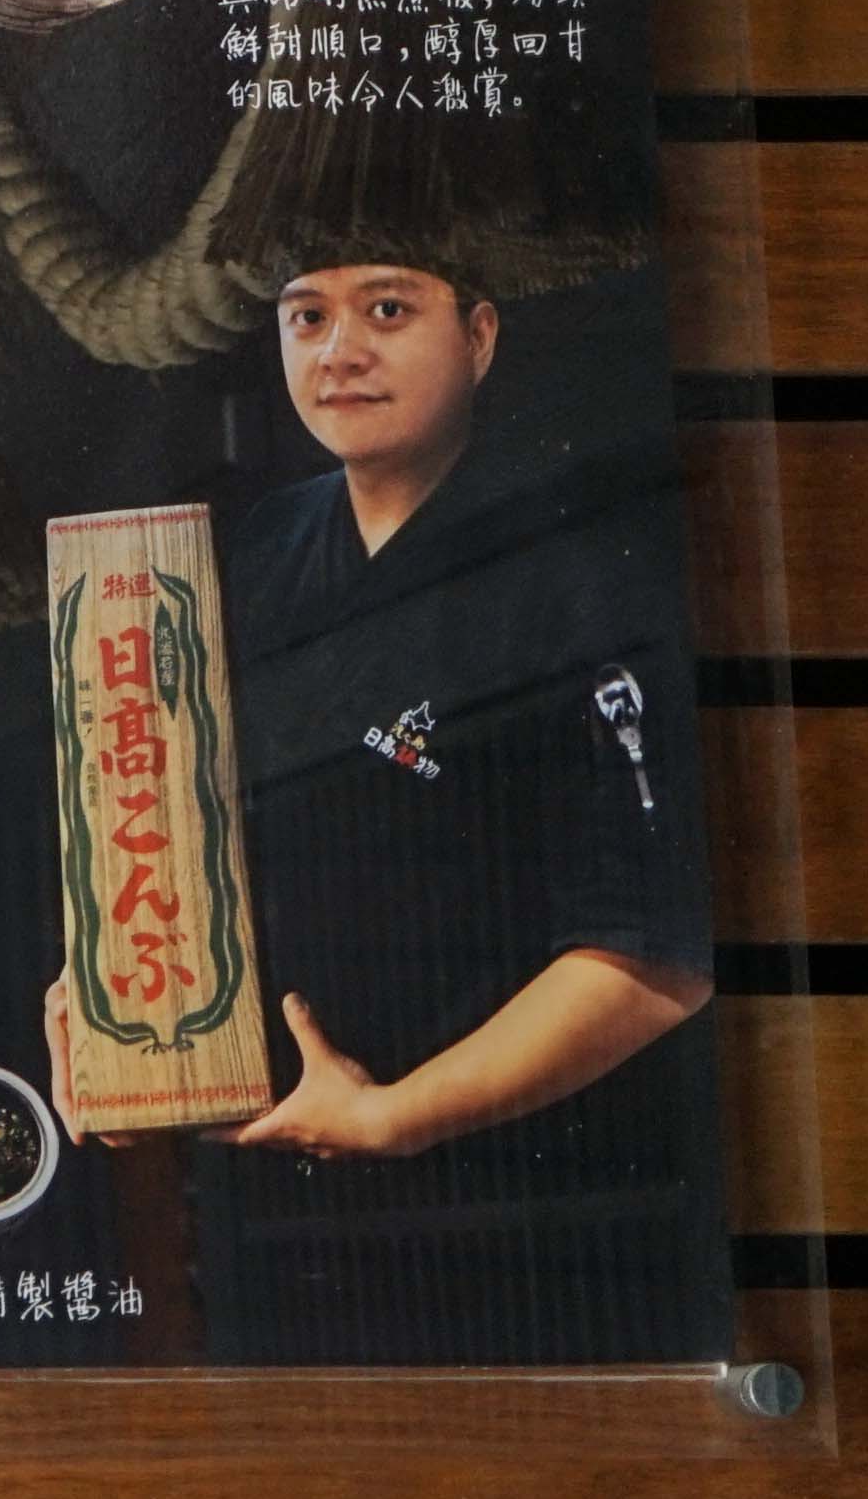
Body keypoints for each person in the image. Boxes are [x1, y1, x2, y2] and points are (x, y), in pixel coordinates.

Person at [51, 248, 728, 1362]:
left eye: (387, 309)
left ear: (481, 334)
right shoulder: (262, 549)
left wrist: (398, 1114)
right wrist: (102, 978)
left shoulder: (582, 562)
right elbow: (177, 831)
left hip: (526, 1211)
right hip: (269, 1190)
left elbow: (657, 955)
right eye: (306, 317)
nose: (339, 350)